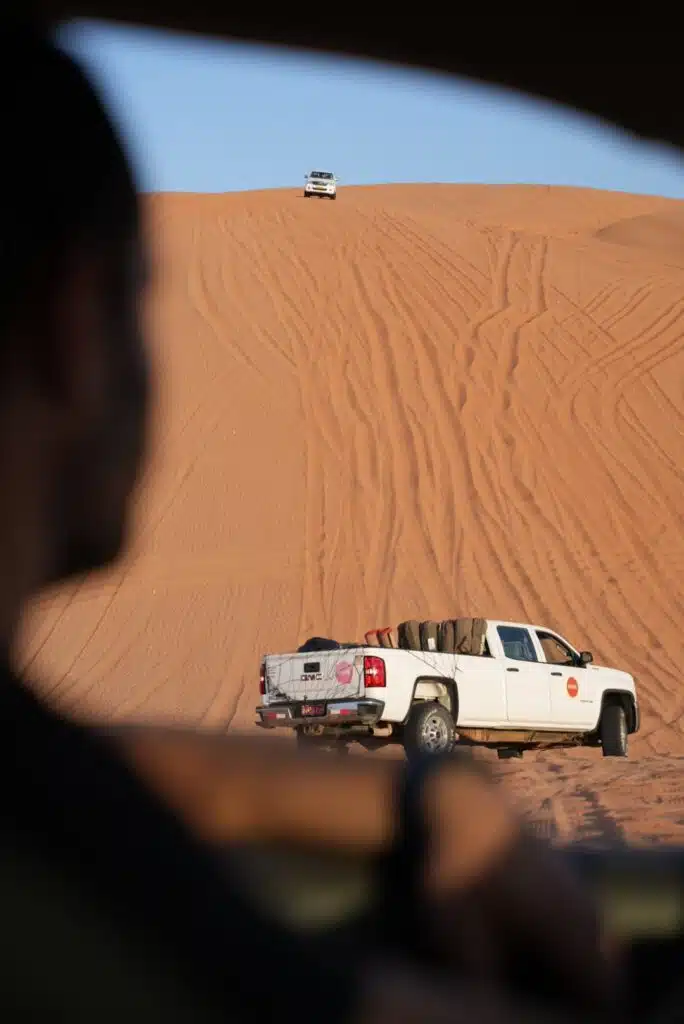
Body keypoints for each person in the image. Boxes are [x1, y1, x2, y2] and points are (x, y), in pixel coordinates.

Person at [0, 20, 618, 1022]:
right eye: (142, 306)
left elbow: (82, 767)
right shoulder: (77, 909)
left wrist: (412, 798)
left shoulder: (35, 788)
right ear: (73, 328)